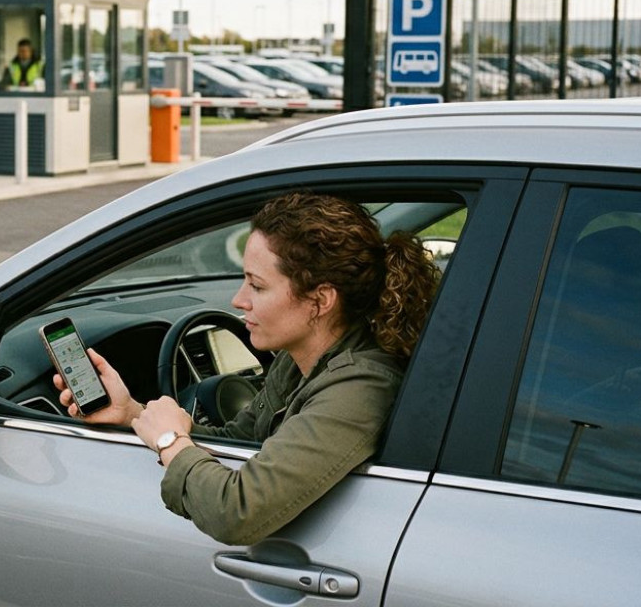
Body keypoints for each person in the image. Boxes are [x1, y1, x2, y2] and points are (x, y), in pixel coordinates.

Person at [55, 193, 440, 545]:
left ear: (320, 300)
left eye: (257, 286)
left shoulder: (360, 387)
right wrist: (132, 414)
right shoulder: (297, 359)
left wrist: (170, 441)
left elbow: (237, 512)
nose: (238, 300)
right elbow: (239, 442)